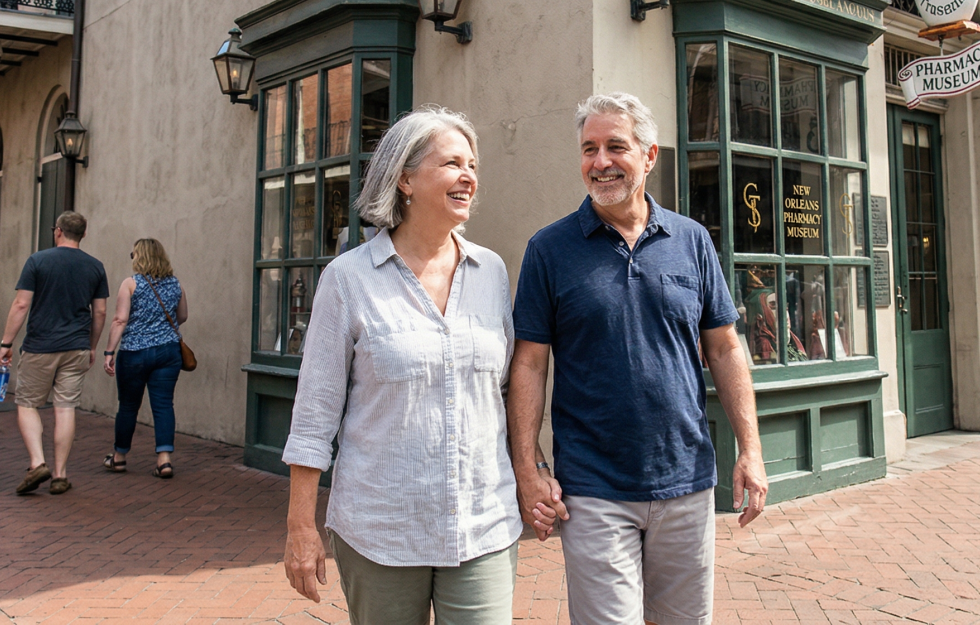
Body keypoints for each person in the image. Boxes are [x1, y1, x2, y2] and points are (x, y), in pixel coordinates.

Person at [509, 92, 768, 625]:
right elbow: (530, 364)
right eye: (589, 149)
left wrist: (751, 449)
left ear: (649, 156)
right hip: (593, 487)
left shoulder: (692, 240)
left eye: (615, 147)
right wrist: (529, 466)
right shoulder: (549, 249)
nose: (600, 162)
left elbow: (724, 347)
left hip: (686, 478)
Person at [282, 108, 523, 624]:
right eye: (452, 163)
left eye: (473, 165)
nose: (469, 176)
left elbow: (504, 394)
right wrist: (301, 525)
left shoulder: (491, 272)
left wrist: (532, 470)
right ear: (406, 179)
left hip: (482, 522)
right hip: (381, 528)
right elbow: (315, 411)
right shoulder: (348, 280)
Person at [0, 211, 109, 496]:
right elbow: (100, 311)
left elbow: (21, 305)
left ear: (58, 231)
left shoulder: (38, 261)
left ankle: (37, 463)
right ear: (83, 234)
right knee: (65, 407)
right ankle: (60, 475)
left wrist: (6, 343)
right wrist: (93, 345)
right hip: (77, 346)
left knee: (27, 403)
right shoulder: (95, 267)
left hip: (40, 345)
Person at [101, 239, 187, 478]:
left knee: (128, 406)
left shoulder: (131, 284)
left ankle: (119, 457)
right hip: (169, 352)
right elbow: (183, 316)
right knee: (163, 404)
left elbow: (119, 320)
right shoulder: (175, 284)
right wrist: (160, 329)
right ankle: (164, 460)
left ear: (139, 257)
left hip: (134, 353)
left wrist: (109, 351)